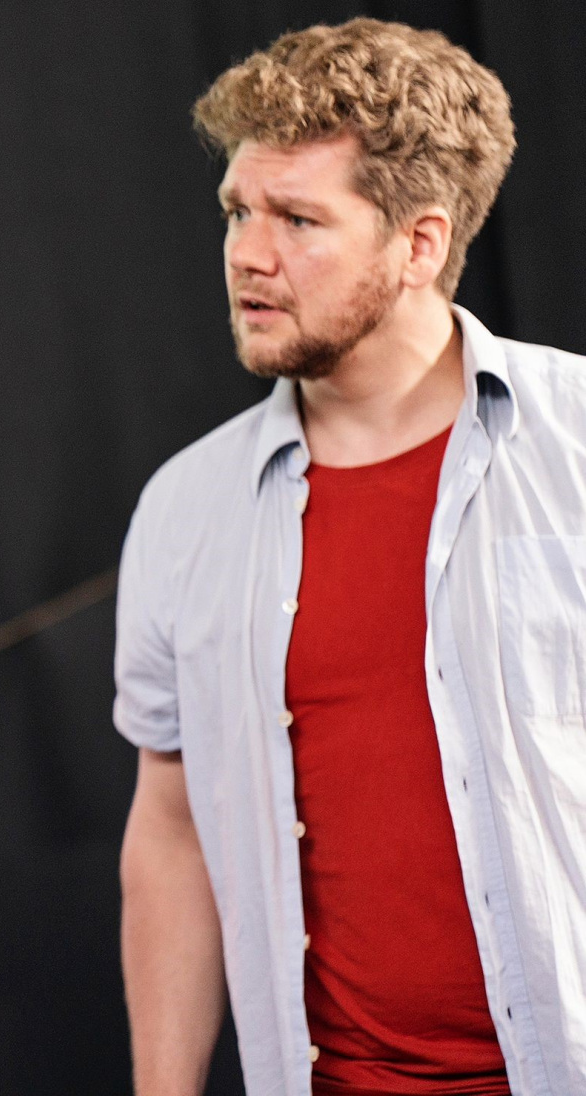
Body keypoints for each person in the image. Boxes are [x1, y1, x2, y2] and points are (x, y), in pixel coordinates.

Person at [115, 18, 585, 1096]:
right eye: (237, 209)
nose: (248, 253)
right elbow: (173, 831)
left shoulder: (578, 446)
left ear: (419, 244)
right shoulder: (185, 510)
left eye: (297, 218)